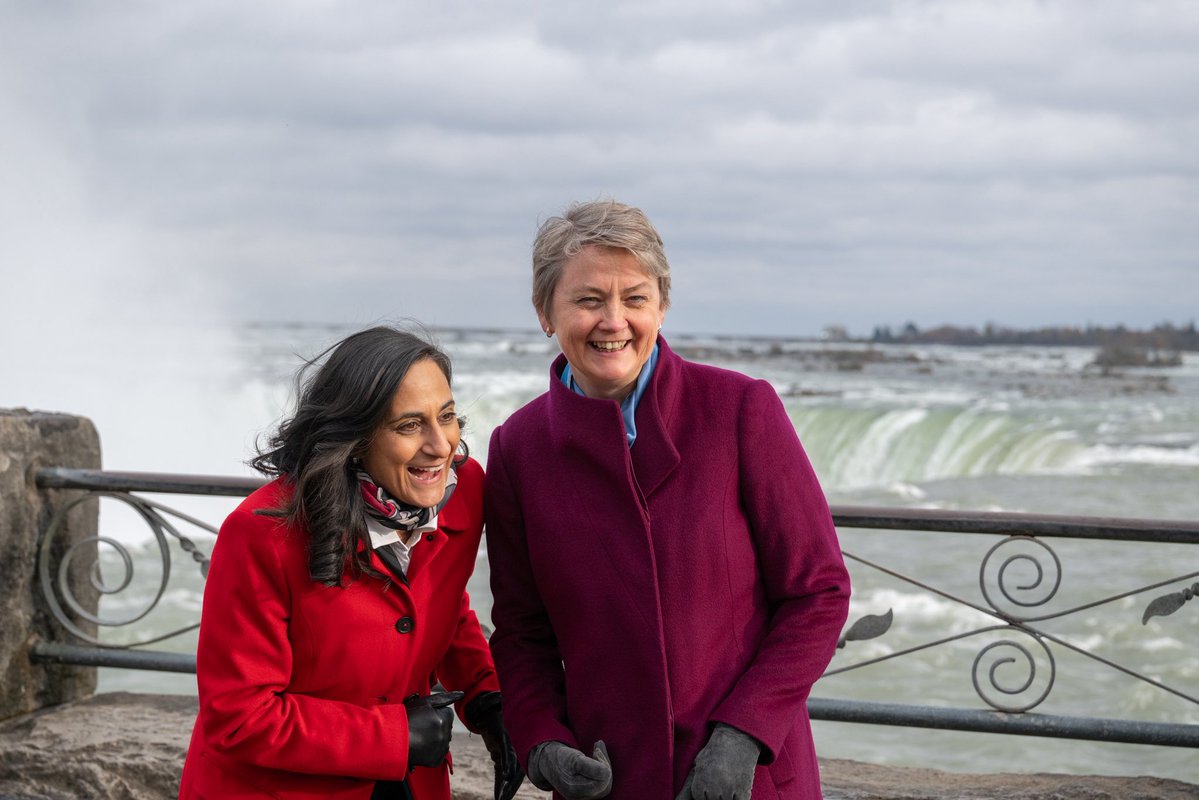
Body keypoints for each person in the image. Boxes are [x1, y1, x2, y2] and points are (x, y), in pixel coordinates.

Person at [484, 201, 852, 800]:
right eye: (587, 300)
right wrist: (543, 743)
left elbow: (818, 592)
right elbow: (523, 632)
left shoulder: (740, 410)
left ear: (662, 305)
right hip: (609, 783)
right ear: (544, 312)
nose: (614, 321)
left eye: (635, 298)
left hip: (749, 779)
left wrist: (744, 735)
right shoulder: (517, 450)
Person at [180, 326, 522, 800]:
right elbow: (239, 716)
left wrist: (487, 700)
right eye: (408, 425)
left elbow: (440, 605)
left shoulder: (462, 494)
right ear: (356, 436)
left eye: (447, 416)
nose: (441, 445)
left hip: (412, 784)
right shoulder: (262, 533)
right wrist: (395, 736)